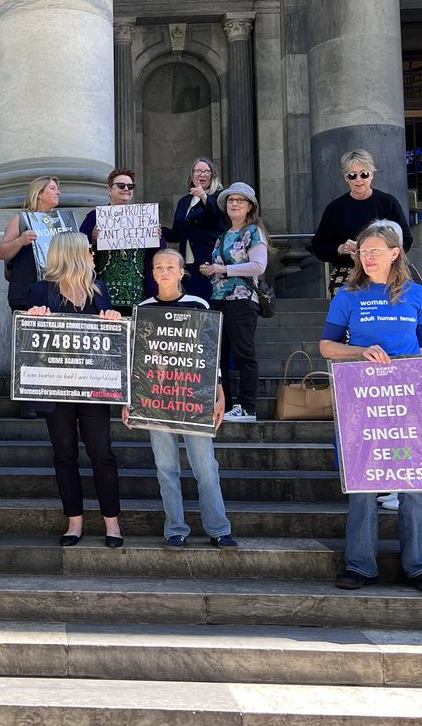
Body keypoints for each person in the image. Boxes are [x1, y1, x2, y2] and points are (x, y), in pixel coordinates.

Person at [320, 223, 422, 595]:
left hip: (409, 398)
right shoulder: (348, 295)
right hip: (363, 398)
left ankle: (419, 567)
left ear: (395, 253)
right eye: (363, 251)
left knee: (415, 485)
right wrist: (360, 351)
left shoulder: (416, 293)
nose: (368, 256)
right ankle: (359, 565)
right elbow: (327, 346)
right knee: (363, 483)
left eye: (375, 249)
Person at [124, 249, 237, 549]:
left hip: (194, 397)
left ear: (181, 272)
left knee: (205, 466)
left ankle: (219, 528)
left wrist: (220, 394)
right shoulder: (143, 308)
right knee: (166, 468)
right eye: (158, 267)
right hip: (155, 398)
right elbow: (136, 359)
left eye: (169, 267)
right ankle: (175, 528)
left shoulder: (198, 304)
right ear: (152, 272)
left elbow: (210, 354)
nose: (163, 272)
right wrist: (128, 400)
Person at [26, 232, 125, 547]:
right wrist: (33, 319)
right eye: (88, 250)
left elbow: (111, 341)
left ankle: (112, 524)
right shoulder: (40, 291)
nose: (93, 254)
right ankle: (74, 522)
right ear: (72, 254)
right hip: (55, 390)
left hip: (94, 388)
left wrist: (113, 318)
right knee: (64, 455)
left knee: (102, 453)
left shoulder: (100, 290)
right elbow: (28, 344)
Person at [200, 181, 267, 423]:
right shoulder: (222, 236)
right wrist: (210, 269)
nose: (234, 203)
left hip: (242, 299)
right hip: (219, 299)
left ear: (250, 206)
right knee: (218, 357)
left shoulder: (254, 232)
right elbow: (221, 268)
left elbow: (259, 266)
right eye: (230, 200)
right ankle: (224, 404)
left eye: (240, 200)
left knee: (244, 355)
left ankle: (248, 408)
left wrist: (224, 269)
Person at [0, 175, 62, 418]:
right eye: (53, 188)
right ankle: (28, 401)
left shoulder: (61, 221)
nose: (58, 193)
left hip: (55, 292)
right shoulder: (21, 219)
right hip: (25, 291)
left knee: (53, 348)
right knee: (27, 346)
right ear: (39, 193)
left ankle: (51, 399)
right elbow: (2, 252)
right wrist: (21, 240)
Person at [311, 149, 412, 298]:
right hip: (347, 272)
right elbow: (319, 246)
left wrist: (382, 252)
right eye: (352, 175)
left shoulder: (388, 203)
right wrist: (341, 248)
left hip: (385, 272)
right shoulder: (335, 209)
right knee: (344, 310)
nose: (358, 180)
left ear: (372, 174)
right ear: (346, 178)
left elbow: (406, 239)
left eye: (364, 174)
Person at [80, 167, 163, 315]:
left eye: (130, 186)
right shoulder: (94, 217)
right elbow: (77, 248)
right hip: (101, 290)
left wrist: (158, 238)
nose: (126, 189)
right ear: (109, 189)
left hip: (138, 292)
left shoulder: (144, 217)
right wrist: (92, 240)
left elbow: (159, 253)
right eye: (121, 185)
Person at [165, 157, 227, 299]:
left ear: (213, 175)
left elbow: (217, 216)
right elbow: (177, 234)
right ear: (192, 175)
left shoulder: (219, 197)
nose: (202, 174)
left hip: (209, 263)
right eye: (198, 171)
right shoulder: (184, 202)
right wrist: (159, 231)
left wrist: (204, 197)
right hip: (187, 264)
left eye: (206, 171)